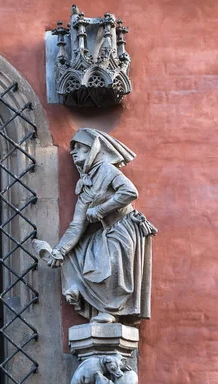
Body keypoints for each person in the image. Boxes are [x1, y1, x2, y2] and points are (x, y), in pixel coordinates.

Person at [48, 128, 157, 324]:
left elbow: (130, 192)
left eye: (79, 148)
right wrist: (59, 251)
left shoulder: (107, 170)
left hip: (123, 227)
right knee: (73, 252)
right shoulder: (85, 186)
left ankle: (110, 309)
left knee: (109, 256)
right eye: (73, 149)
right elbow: (76, 226)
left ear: (93, 150)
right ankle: (77, 288)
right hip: (106, 231)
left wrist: (100, 210)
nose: (73, 152)